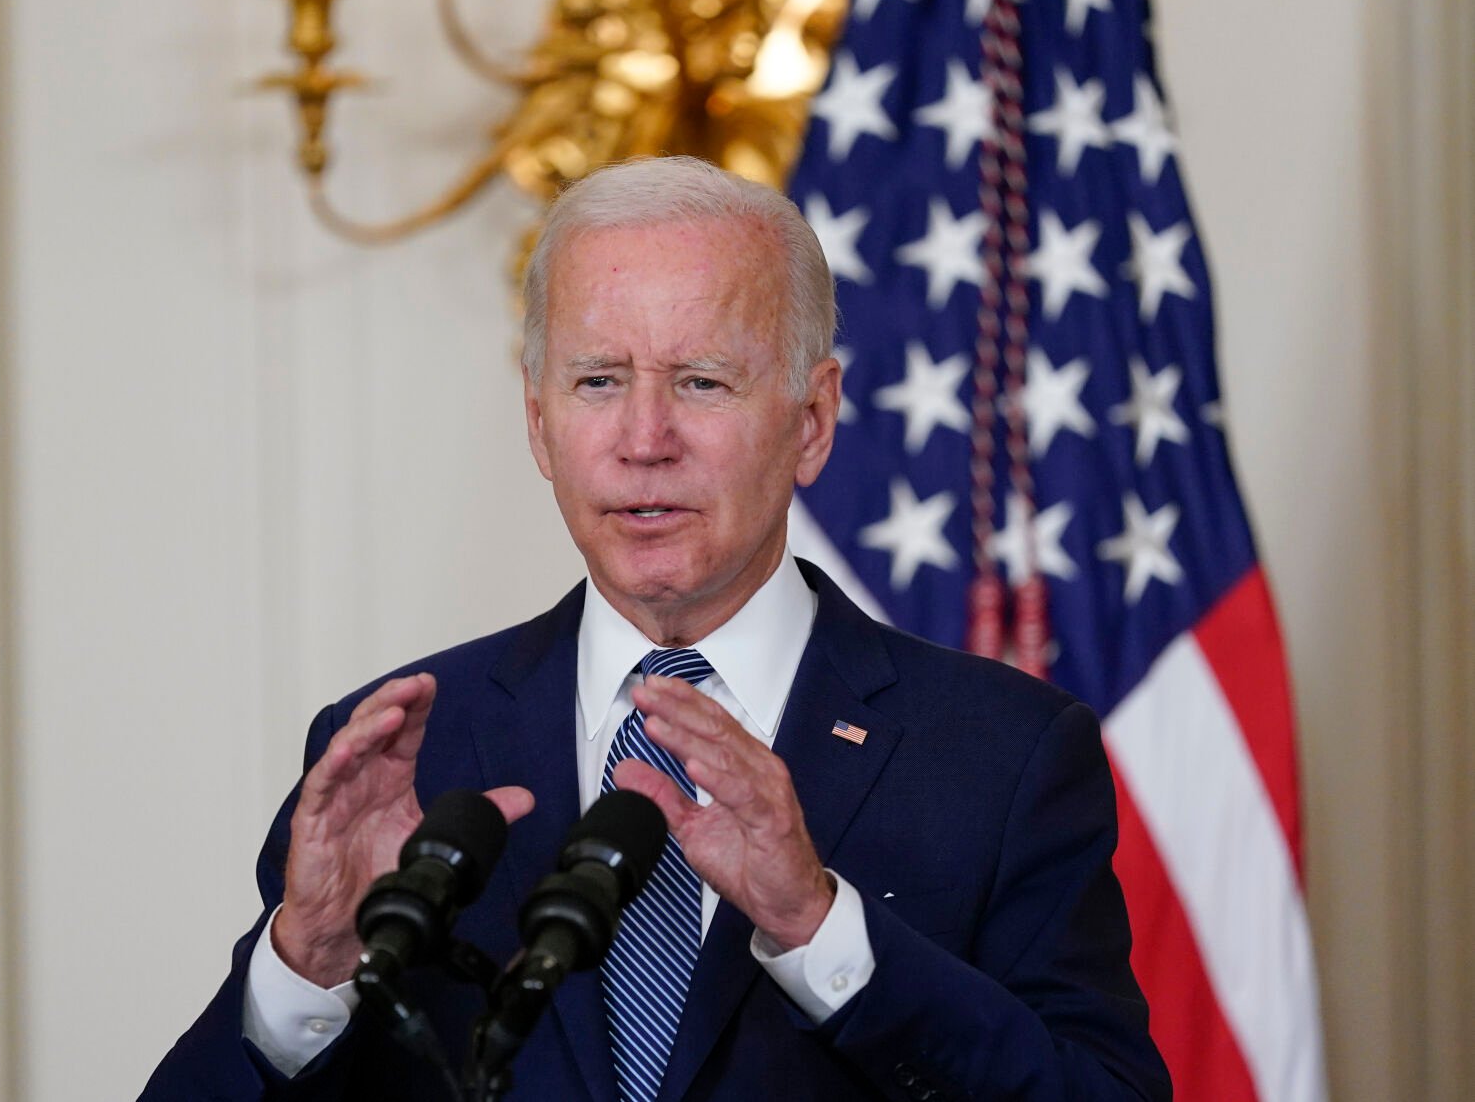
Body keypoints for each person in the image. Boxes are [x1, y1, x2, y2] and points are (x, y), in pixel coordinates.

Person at [141, 157, 1170, 1101]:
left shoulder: (1005, 755)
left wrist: (818, 925)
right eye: (597, 381)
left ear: (810, 421)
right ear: (539, 423)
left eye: (700, 381)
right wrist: (307, 959)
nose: (643, 440)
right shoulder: (407, 746)